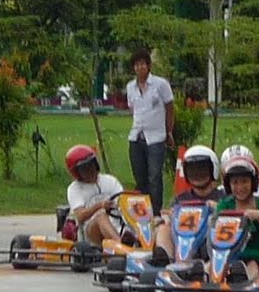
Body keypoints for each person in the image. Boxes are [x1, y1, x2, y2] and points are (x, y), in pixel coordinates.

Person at [213, 153, 259, 282]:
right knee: (211, 265)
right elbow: (215, 225)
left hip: (258, 256)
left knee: (252, 266)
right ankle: (209, 282)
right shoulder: (225, 205)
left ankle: (245, 284)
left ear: (253, 183)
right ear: (229, 185)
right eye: (235, 182)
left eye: (245, 181)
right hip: (230, 255)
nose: (240, 187)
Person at [124, 49, 176, 216]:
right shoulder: (130, 87)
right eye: (137, 65)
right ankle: (142, 211)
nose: (140, 68)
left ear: (148, 66)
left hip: (156, 137)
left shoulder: (160, 85)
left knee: (154, 176)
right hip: (136, 135)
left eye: (142, 64)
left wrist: (169, 131)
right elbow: (133, 109)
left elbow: (169, 108)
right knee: (140, 177)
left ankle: (156, 210)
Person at [150, 144, 223, 262]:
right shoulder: (180, 199)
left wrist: (218, 209)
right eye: (192, 170)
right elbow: (170, 220)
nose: (197, 174)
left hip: (208, 243)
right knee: (163, 228)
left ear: (213, 170)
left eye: (202, 169)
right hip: (182, 242)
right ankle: (166, 263)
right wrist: (167, 217)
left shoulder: (222, 197)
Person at [64, 145, 126, 247]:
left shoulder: (110, 180)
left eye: (91, 165)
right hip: (91, 232)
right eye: (85, 168)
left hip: (118, 224)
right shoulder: (74, 189)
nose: (90, 169)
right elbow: (80, 216)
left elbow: (123, 199)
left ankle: (158, 252)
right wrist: (100, 205)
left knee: (157, 221)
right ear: (76, 171)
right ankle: (121, 246)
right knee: (101, 216)